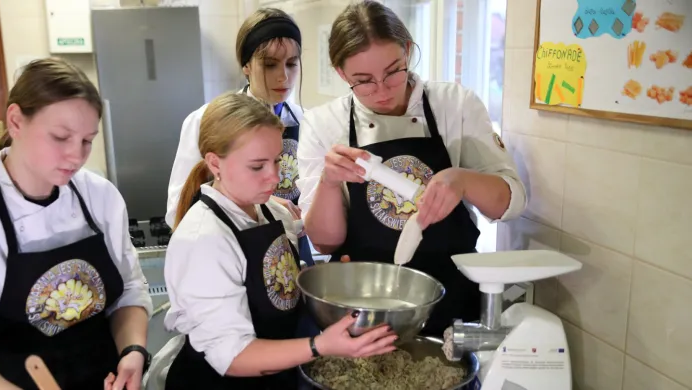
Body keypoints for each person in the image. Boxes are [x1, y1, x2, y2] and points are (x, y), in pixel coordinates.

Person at [0, 58, 153, 390]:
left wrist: (133, 350)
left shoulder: (100, 197)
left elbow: (128, 292)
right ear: (15, 122)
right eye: (60, 137)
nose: (76, 155)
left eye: (87, 140)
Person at [297, 1, 527, 337]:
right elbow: (324, 242)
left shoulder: (454, 105)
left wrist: (462, 180)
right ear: (341, 73)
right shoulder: (323, 124)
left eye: (393, 71)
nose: (382, 90)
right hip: (363, 304)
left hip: (450, 296)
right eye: (363, 81)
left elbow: (512, 203)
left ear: (407, 50)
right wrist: (330, 183)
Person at [163, 93, 397, 389]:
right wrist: (320, 346)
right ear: (214, 163)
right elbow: (232, 357)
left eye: (276, 161)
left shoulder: (271, 211)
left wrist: (331, 282)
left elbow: (277, 280)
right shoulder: (203, 241)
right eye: (257, 166)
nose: (274, 178)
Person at [164, 8, 315, 265]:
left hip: (294, 256)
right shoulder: (206, 120)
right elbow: (178, 208)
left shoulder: (308, 122)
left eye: (292, 63)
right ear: (246, 65)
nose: (283, 76)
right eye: (269, 65)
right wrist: (262, 204)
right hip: (234, 256)